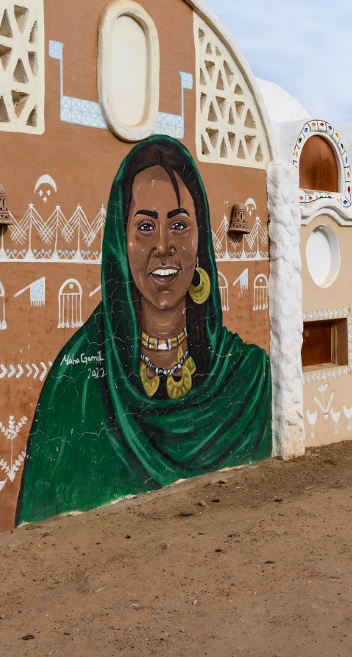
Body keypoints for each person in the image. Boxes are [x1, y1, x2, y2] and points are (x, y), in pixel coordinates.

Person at [16, 135, 271, 524]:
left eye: (180, 225)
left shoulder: (249, 379)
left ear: (200, 239)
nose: (164, 246)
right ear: (121, 241)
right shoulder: (77, 381)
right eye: (146, 226)